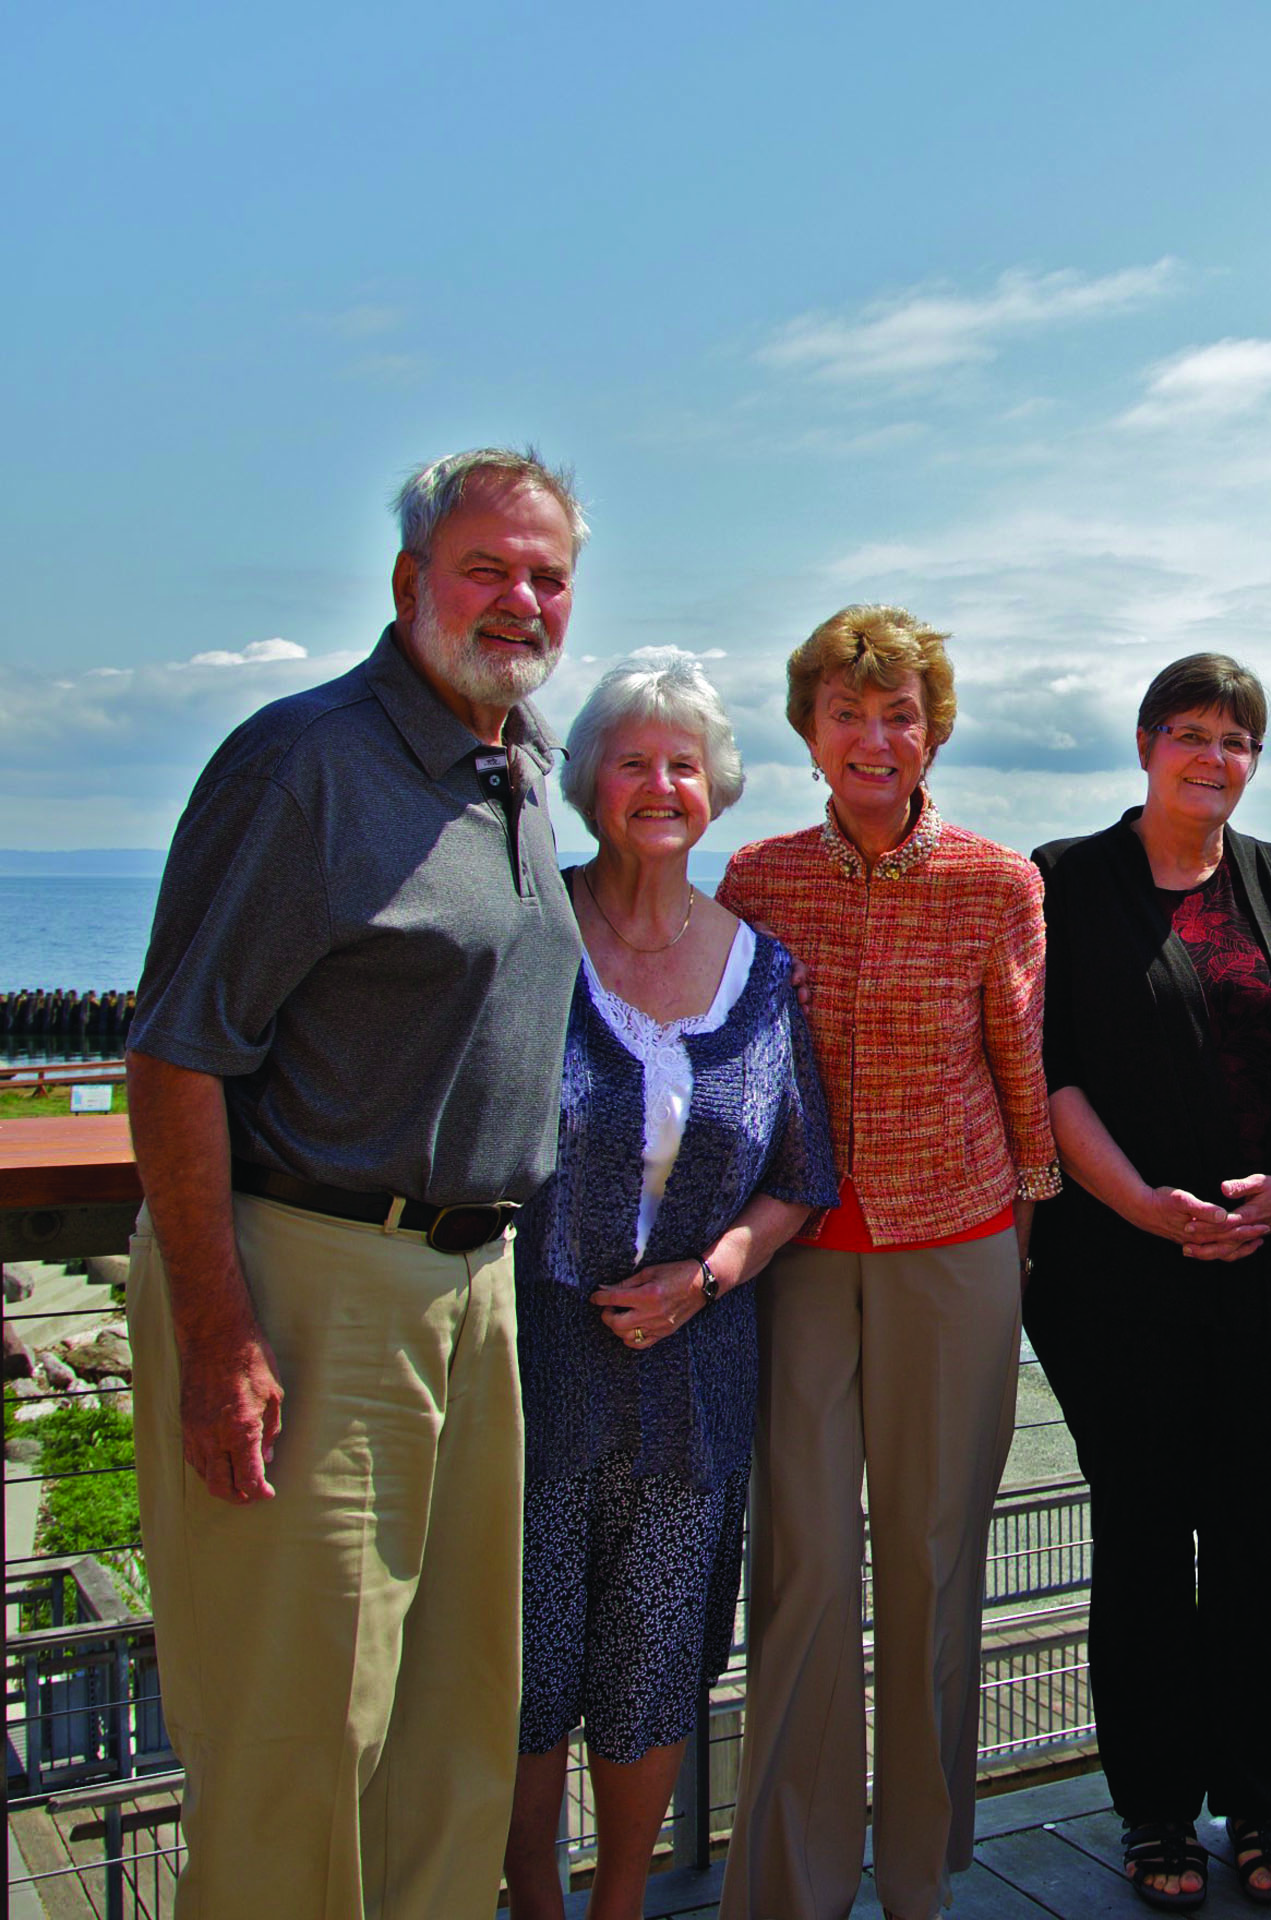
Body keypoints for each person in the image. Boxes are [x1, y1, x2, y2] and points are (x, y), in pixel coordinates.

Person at [123, 447, 589, 1919]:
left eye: (548, 578)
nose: (520, 602)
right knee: (298, 1751)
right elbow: (177, 1059)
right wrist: (219, 1335)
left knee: (451, 1736)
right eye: (487, 569)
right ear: (409, 585)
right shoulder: (305, 765)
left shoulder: (519, 763)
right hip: (309, 1284)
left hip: (476, 1290)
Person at [717, 604, 1061, 1920]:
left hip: (957, 1253)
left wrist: (1017, 1240)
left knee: (931, 1561)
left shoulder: (997, 881)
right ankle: (792, 1887)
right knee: (802, 1565)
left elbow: (1022, 1080)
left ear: (934, 736)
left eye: (899, 714)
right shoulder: (755, 881)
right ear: (809, 732)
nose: (874, 737)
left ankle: (918, 1877)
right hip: (797, 1257)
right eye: (848, 713)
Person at [1027, 654, 1271, 1910]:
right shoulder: (1062, 880)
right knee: (1140, 1542)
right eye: (1190, 733)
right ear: (1142, 743)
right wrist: (1145, 1209)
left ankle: (1266, 1795)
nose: (1212, 758)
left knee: (1264, 1545)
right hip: (1118, 1277)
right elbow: (1045, 1072)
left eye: (1237, 740)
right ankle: (1157, 1810)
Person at [500, 651, 838, 1920]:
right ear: (589, 784)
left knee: (652, 1663)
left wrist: (705, 1277)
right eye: (633, 761)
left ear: (717, 791)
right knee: (526, 1666)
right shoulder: (533, 938)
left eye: (683, 764)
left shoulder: (760, 968)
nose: (660, 784)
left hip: (694, 1374)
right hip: (532, 1364)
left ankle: (621, 1903)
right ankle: (530, 1894)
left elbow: (802, 1175)